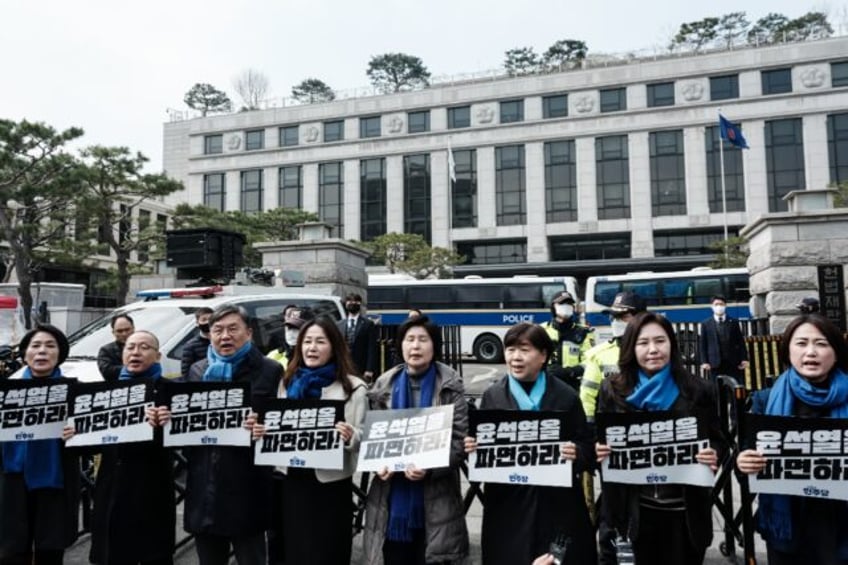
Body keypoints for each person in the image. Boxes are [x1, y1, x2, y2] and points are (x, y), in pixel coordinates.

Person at [465, 322, 596, 565]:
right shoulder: (493, 395)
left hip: (558, 506)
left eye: (524, 349)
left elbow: (587, 445)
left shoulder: (566, 396)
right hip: (508, 507)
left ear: (543, 355)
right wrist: (474, 450)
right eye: (510, 349)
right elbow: (481, 454)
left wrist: (577, 452)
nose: (515, 357)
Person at [596, 312, 720, 565]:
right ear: (631, 347)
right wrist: (599, 451)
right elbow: (599, 440)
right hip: (631, 513)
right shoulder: (612, 390)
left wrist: (714, 453)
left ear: (672, 345)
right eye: (643, 343)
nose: (653, 350)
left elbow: (719, 439)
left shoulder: (699, 390)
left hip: (683, 514)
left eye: (660, 341)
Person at [172, 304, 282, 565]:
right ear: (209, 334)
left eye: (233, 329)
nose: (225, 336)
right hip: (204, 483)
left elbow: (280, 423)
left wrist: (265, 427)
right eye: (217, 330)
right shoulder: (197, 370)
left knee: (251, 557)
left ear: (249, 333)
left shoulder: (270, 370)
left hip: (248, 485)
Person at [254, 317, 367, 564]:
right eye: (307, 341)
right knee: (293, 549)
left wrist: (350, 435)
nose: (311, 348)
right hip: (291, 480)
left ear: (334, 346)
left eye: (320, 342)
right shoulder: (287, 382)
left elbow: (363, 438)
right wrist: (263, 432)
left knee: (326, 551)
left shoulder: (354, 388)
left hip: (330, 486)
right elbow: (275, 428)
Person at [737, 314, 848, 564]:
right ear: (787, 351)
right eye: (801, 343)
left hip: (841, 528)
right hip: (789, 531)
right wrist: (744, 463)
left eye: (821, 343)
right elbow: (744, 468)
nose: (811, 352)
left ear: (837, 352)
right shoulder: (764, 401)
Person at [362, 316, 469, 565]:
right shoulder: (383, 385)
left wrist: (430, 469)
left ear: (434, 346)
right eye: (409, 339)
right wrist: (377, 463)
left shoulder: (450, 385)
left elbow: (459, 440)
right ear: (400, 345)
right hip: (389, 499)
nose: (415, 346)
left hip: (436, 499)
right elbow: (372, 436)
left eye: (423, 339)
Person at [83, 330, 176, 565]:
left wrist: (166, 424)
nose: (136, 352)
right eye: (130, 347)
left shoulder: (171, 392)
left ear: (158, 356)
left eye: (144, 347)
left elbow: (185, 441)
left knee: (153, 553)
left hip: (152, 488)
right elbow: (89, 444)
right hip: (111, 486)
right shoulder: (105, 392)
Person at [0, 325, 79, 565]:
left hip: (56, 483)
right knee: (10, 552)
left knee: (50, 553)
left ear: (59, 354)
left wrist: (79, 433)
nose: (42, 351)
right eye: (35, 346)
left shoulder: (76, 391)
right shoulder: (5, 391)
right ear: (24, 355)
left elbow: (95, 442)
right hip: (11, 481)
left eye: (50, 346)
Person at [578, 291, 646, 528]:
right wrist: (590, 435)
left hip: (647, 441)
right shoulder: (598, 354)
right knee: (613, 504)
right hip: (611, 442)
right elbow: (587, 396)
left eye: (622, 316)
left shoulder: (651, 352)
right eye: (613, 316)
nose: (616, 321)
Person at [540, 291, 594, 391]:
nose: (566, 307)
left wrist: (570, 372)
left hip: (573, 386)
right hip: (546, 384)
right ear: (553, 307)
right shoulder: (541, 330)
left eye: (569, 304)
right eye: (561, 304)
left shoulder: (584, 332)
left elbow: (590, 361)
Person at [698, 294, 749, 381]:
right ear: (712, 307)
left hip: (732, 362)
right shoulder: (706, 324)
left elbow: (740, 341)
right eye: (716, 304)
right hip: (714, 363)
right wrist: (704, 361)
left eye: (721, 304)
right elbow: (703, 344)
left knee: (733, 385)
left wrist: (744, 359)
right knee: (716, 388)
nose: (719, 306)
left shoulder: (734, 322)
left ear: (725, 306)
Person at [337, 293, 378, 381]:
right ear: (346, 304)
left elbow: (372, 348)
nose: (352, 303)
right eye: (349, 301)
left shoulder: (368, 324)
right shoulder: (339, 325)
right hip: (343, 367)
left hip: (361, 368)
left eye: (355, 301)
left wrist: (369, 369)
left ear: (360, 304)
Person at [97, 314, 134, 381]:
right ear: (113, 332)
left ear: (133, 329)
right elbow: (107, 372)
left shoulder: (145, 346)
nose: (124, 334)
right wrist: (133, 368)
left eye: (127, 330)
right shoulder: (106, 350)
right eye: (120, 331)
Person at [180, 307, 214, 377]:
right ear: (197, 323)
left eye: (211, 319)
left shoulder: (222, 340)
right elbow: (185, 373)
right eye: (204, 319)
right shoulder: (190, 346)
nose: (208, 322)